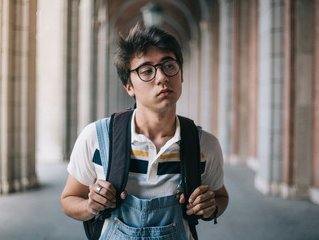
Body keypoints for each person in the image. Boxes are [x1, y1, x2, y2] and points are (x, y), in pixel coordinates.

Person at [60, 23, 229, 240]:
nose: (162, 78)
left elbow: (220, 197)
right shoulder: (97, 138)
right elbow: (69, 200)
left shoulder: (204, 145)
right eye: (147, 70)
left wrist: (211, 207)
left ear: (181, 75)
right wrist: (91, 206)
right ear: (128, 86)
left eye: (169, 65)